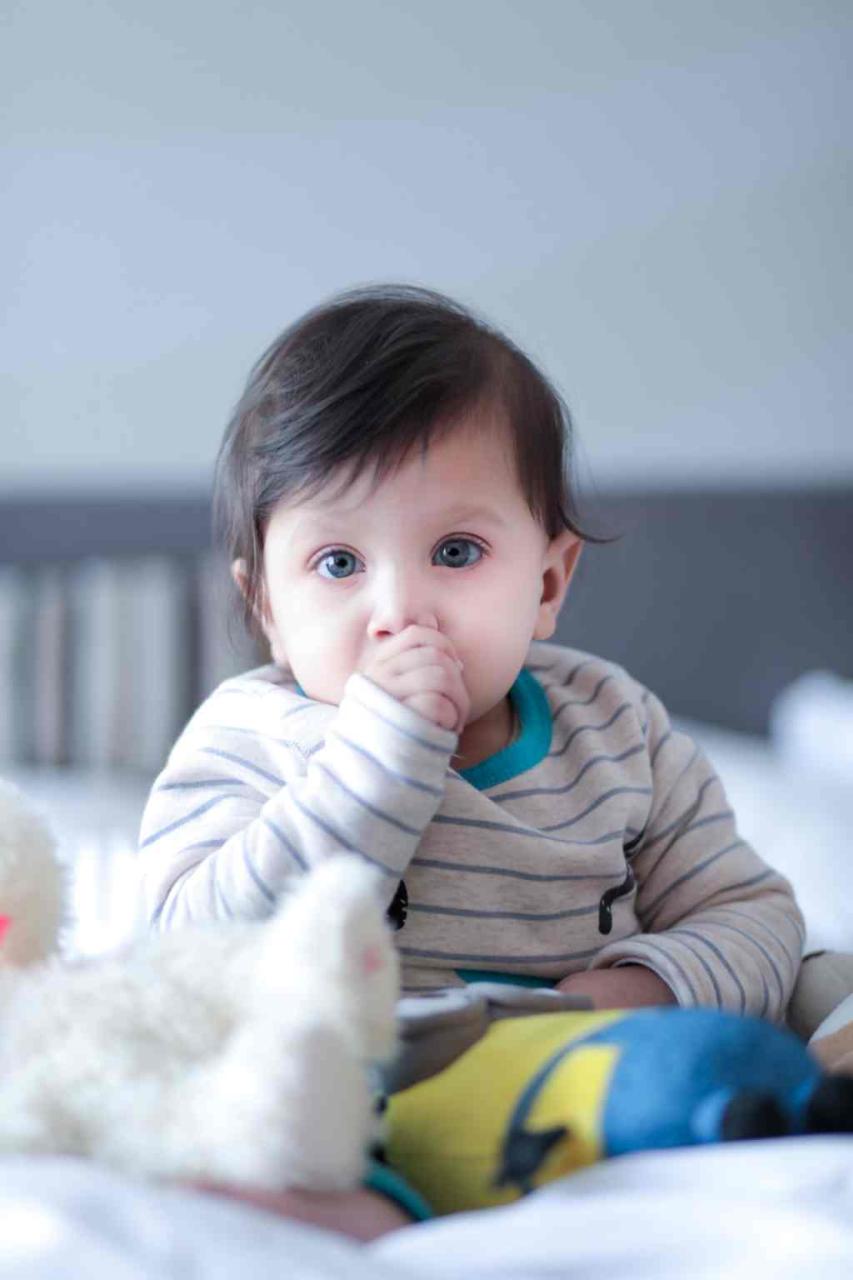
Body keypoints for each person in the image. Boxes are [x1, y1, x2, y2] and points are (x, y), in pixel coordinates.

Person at [138, 283, 804, 1232]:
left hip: (580, 1066)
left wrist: (650, 982)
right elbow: (190, 949)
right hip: (353, 1095)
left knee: (816, 987)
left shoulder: (614, 727)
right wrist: (379, 762)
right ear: (266, 610)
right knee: (249, 1141)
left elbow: (750, 911)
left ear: (546, 580)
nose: (399, 610)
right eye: (338, 563)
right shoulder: (248, 740)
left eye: (455, 550)